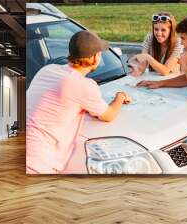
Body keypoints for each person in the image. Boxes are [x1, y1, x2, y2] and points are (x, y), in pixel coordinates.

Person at [26, 31, 131, 174]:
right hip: (39, 162)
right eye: (100, 53)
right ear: (94, 58)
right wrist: (120, 97)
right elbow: (109, 115)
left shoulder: (47, 70)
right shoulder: (83, 85)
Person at [129, 12, 183, 76]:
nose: (158, 33)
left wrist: (148, 57)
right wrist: (135, 68)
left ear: (171, 31)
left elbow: (165, 71)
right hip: (153, 80)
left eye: (163, 30)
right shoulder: (150, 38)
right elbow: (142, 67)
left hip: (171, 81)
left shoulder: (178, 42)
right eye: (156, 29)